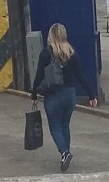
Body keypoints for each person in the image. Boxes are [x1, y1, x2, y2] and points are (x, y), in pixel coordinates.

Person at [31, 23, 98, 172]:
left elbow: (39, 76)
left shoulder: (46, 53)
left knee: (55, 127)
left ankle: (64, 153)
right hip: (69, 95)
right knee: (64, 125)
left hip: (53, 96)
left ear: (50, 35)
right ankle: (65, 154)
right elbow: (81, 76)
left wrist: (34, 94)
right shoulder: (71, 53)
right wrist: (92, 95)